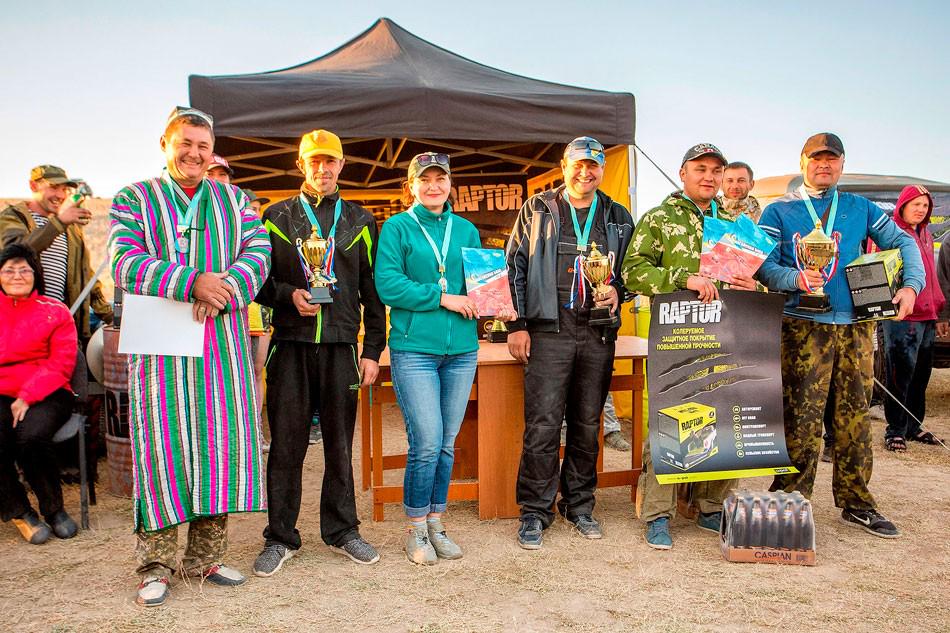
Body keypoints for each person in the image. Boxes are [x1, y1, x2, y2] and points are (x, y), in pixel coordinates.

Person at [109, 106, 271, 606]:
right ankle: (154, 565)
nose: (194, 154)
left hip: (219, 343)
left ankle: (205, 558)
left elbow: (259, 253)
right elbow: (123, 261)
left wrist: (221, 290)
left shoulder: (234, 199)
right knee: (163, 449)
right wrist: (189, 281)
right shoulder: (134, 197)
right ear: (165, 144)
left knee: (217, 444)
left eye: (203, 145)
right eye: (186, 143)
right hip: (160, 350)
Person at [756, 132, 924, 539]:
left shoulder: (859, 207)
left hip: (855, 327)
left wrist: (911, 285)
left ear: (842, 165)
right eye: (816, 159)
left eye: (832, 159)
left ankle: (856, 502)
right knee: (800, 419)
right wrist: (795, 278)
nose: (824, 165)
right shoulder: (779, 210)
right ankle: (789, 500)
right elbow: (761, 264)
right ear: (803, 163)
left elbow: (903, 241)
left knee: (855, 418)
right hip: (802, 326)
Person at [253, 129, 386, 576]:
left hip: (341, 348)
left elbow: (372, 289)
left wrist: (372, 348)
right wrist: (288, 294)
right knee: (285, 446)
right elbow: (257, 281)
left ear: (342, 165)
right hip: (290, 345)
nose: (323, 169)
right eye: (314, 161)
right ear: (301, 165)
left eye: (330, 161)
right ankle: (280, 536)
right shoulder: (275, 216)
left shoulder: (361, 220)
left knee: (339, 446)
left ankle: (343, 530)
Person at [376, 152, 514, 564]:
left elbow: (480, 285)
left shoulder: (466, 229)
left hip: (462, 351)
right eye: (425, 179)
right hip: (414, 349)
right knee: (427, 441)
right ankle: (416, 528)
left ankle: (436, 522)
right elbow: (388, 284)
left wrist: (497, 301)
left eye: (440, 179)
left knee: (447, 443)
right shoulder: (397, 227)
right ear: (411, 186)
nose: (433, 186)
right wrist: (443, 298)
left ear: (450, 184)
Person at [622, 143, 756, 550]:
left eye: (716, 170)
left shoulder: (734, 223)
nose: (709, 177)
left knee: (725, 419)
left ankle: (711, 506)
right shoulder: (659, 218)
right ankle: (658, 513)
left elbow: (752, 273)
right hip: (678, 337)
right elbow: (632, 272)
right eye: (701, 169)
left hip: (727, 337)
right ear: (683, 173)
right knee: (670, 420)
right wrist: (684, 279)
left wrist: (752, 285)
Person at [505, 137, 634, 550]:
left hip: (597, 331)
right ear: (564, 166)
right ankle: (534, 510)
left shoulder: (617, 215)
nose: (586, 172)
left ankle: (578, 506)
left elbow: (632, 271)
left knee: (587, 424)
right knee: (543, 425)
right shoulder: (538, 208)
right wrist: (517, 324)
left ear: (601, 170)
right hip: (548, 331)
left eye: (593, 165)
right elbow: (514, 267)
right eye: (578, 164)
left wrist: (618, 292)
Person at [0, 243, 79, 545]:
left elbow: (61, 363)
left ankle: (54, 509)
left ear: (36, 275)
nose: (17, 276)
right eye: (9, 270)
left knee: (31, 438)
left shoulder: (55, 311)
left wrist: (27, 395)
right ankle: (19, 510)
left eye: (24, 270)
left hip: (49, 390)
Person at [0, 165, 113, 343]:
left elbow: (85, 276)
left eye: (64, 189)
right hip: (22, 328)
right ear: (33, 186)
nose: (60, 195)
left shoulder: (70, 229)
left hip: (62, 327)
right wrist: (59, 222)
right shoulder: (13, 217)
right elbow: (15, 253)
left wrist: (108, 315)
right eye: (53, 187)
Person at [881, 185, 945, 451]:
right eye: (915, 204)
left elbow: (931, 275)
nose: (921, 209)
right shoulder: (891, 232)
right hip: (903, 315)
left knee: (921, 374)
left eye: (925, 205)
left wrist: (939, 308)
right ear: (903, 205)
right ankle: (894, 430)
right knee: (900, 373)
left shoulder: (926, 233)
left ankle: (913, 426)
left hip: (928, 313)